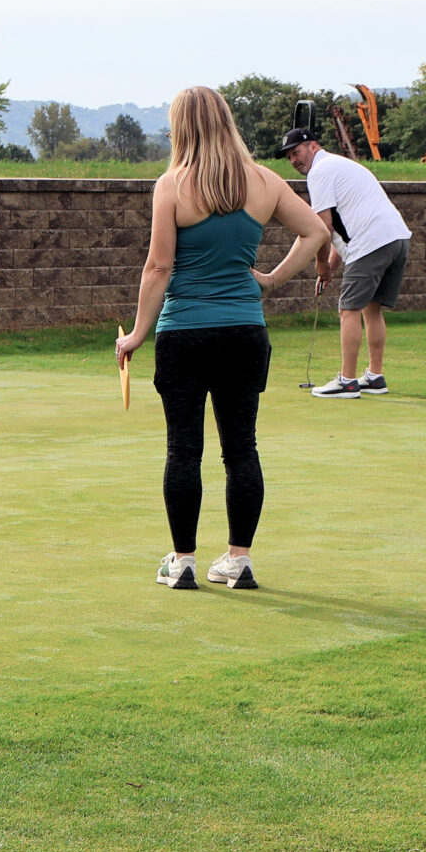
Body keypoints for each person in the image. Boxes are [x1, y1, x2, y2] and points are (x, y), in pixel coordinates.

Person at [114, 88, 330, 590]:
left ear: (181, 128)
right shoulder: (265, 180)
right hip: (243, 333)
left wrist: (137, 334)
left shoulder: (172, 185)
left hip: (184, 334)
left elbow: (159, 267)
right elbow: (316, 233)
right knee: (241, 448)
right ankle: (238, 560)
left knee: (183, 450)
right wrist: (270, 280)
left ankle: (183, 562)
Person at [278, 124, 412, 399]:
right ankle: (375, 377)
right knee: (371, 309)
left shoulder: (319, 171)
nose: (293, 160)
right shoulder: (339, 165)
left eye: (297, 152)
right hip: (396, 238)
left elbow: (323, 227)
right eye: (289, 156)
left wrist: (321, 265)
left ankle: (347, 381)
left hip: (371, 242)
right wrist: (331, 267)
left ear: (313, 146)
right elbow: (344, 227)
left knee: (348, 310)